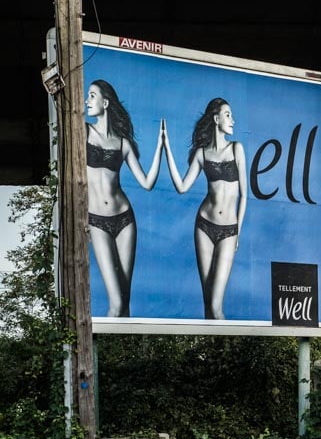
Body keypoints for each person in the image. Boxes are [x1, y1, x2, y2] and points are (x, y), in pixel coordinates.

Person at [162, 97, 247, 320]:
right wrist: (166, 148)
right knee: (208, 303)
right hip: (204, 226)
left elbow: (244, 195)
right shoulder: (202, 154)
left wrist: (238, 230)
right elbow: (181, 187)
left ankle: (225, 354)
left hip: (228, 229)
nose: (233, 121)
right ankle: (212, 353)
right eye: (228, 115)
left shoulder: (237, 149)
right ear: (216, 118)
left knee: (217, 306)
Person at [85, 80, 164, 317]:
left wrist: (159, 148)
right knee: (116, 303)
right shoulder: (84, 131)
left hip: (125, 220)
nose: (87, 101)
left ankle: (124, 353)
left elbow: (147, 183)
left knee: (125, 301)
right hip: (96, 220)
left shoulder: (123, 143)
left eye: (91, 96)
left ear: (105, 102)